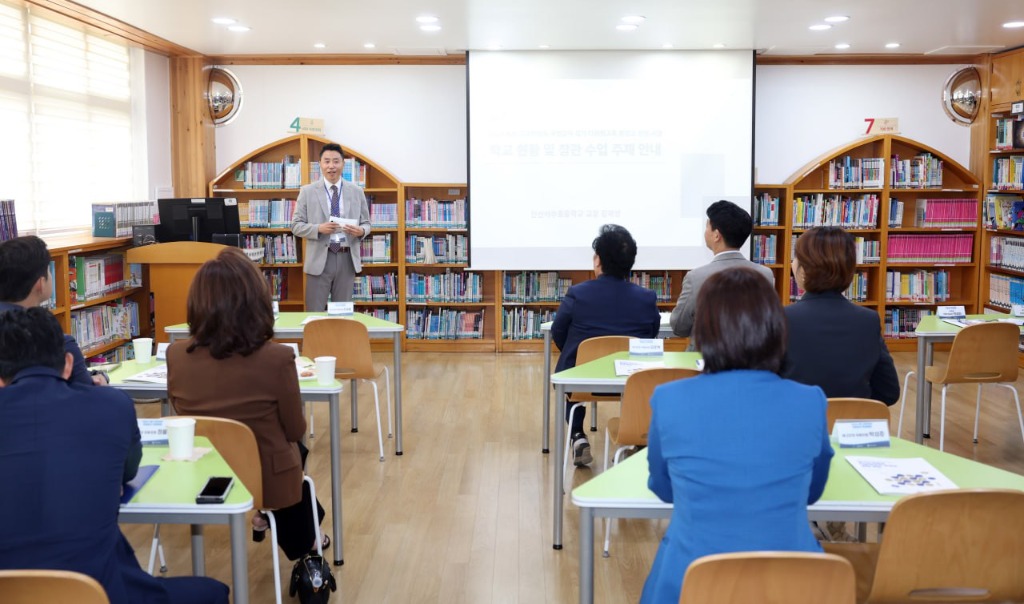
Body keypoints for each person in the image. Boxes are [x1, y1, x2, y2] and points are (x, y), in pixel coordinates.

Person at [0, 307, 229, 604]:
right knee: (212, 592)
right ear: (68, 364)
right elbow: (128, 470)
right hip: (100, 591)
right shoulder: (112, 406)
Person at [641, 268, 833, 604]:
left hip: (690, 579)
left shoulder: (668, 399)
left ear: (704, 330)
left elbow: (663, 488)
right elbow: (812, 493)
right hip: (795, 582)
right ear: (775, 328)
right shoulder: (810, 400)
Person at [166, 247, 326, 560]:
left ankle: (289, 526)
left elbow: (184, 416)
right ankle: (304, 540)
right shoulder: (278, 358)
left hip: (201, 473)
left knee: (283, 449)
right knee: (294, 450)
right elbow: (295, 428)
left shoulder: (176, 355)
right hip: (265, 479)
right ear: (256, 303)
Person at [552, 224, 660, 466]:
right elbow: (651, 335)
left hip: (583, 379)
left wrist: (579, 354)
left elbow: (559, 333)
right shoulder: (646, 298)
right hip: (631, 380)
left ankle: (578, 435)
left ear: (598, 260)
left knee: (568, 368)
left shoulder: (577, 294)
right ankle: (635, 439)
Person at [782, 226, 900, 405]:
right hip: (851, 428)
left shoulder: (781, 319)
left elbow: (763, 388)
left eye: (796, 257)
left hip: (796, 427)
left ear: (803, 268)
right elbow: (889, 391)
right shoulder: (868, 320)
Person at [0, 235, 106, 385]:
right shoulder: (58, 344)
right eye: (48, 271)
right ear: (40, 284)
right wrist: (101, 380)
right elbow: (87, 397)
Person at [669, 200, 774, 340]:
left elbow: (679, 327)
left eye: (707, 227)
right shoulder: (765, 274)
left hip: (705, 358)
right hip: (751, 358)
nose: (705, 231)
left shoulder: (695, 278)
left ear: (716, 235)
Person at [291, 142, 371, 309]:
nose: (331, 166)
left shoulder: (357, 191)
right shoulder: (307, 191)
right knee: (314, 313)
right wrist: (318, 229)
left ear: (343, 164)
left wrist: (361, 231)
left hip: (346, 257)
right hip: (320, 258)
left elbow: (367, 223)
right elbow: (296, 225)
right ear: (320, 164)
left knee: (342, 315)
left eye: (336, 161)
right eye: (326, 161)